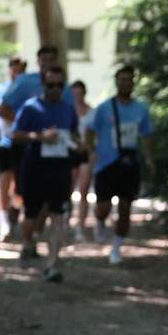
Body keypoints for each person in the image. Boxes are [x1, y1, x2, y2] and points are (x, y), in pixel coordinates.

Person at [10, 65, 79, 283]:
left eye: (60, 85)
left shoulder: (68, 109)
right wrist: (39, 137)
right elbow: (15, 135)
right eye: (51, 85)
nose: (55, 89)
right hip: (34, 169)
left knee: (58, 216)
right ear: (42, 84)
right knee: (31, 216)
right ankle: (27, 244)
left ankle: (52, 264)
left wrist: (76, 142)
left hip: (60, 170)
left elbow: (75, 134)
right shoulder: (30, 107)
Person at [86, 66, 155, 264]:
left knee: (125, 206)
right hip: (105, 164)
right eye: (122, 79)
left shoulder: (141, 109)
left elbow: (147, 134)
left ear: (133, 82)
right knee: (104, 207)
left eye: (129, 79)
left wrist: (149, 159)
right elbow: (89, 130)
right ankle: (100, 220)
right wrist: (91, 152)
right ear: (116, 82)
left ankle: (116, 248)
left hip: (129, 164)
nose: (126, 83)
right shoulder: (104, 108)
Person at [0, 55, 26, 242]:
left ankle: (15, 207)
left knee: (19, 186)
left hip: (24, 143)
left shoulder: (27, 91)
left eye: (20, 70)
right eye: (13, 69)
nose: (16, 73)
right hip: (4, 143)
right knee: (4, 179)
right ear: (9, 70)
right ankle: (4, 223)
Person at [70, 79, 94, 238]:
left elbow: (95, 132)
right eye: (75, 94)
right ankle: (65, 223)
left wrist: (88, 147)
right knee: (68, 189)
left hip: (85, 153)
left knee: (84, 190)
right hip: (70, 152)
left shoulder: (92, 112)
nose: (78, 97)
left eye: (80, 93)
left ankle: (80, 226)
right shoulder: (67, 111)